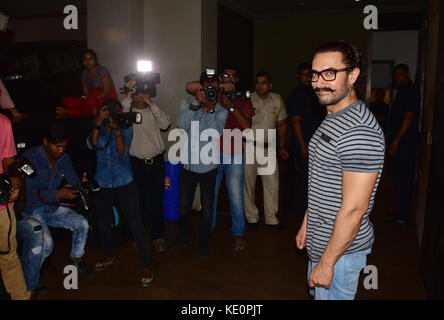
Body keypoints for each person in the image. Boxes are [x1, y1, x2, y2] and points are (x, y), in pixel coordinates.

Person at [295, 41, 385, 300]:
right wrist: (307, 223)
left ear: (353, 75)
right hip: (323, 243)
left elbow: (354, 209)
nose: (319, 82)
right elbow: (324, 180)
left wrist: (327, 263)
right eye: (315, 74)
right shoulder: (335, 115)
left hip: (339, 254)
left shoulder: (359, 131)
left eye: (330, 73)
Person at [186, 66, 255, 251]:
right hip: (212, 151)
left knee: (235, 196)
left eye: (233, 77)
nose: (229, 80)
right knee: (211, 195)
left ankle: (238, 233)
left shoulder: (242, 97)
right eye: (226, 76)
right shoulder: (211, 92)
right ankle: (209, 227)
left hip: (234, 151)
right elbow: (189, 86)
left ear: (238, 79)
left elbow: (247, 126)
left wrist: (230, 104)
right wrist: (219, 87)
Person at [21, 121, 94, 291]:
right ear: (46, 141)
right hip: (31, 209)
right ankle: (29, 279)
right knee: (46, 244)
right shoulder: (30, 158)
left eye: (64, 147)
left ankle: (77, 259)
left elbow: (73, 181)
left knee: (81, 223)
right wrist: (59, 194)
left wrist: (81, 186)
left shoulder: (64, 158)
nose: (61, 150)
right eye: (57, 146)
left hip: (51, 207)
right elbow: (30, 192)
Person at [87, 98, 153, 286]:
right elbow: (93, 145)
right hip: (103, 182)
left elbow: (122, 152)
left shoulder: (125, 126)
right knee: (102, 222)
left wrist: (116, 130)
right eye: (108, 111)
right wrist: (98, 123)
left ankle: (146, 265)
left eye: (115, 111)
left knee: (136, 224)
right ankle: (109, 255)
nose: (112, 115)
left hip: (125, 181)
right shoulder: (97, 127)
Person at [171, 72, 228, 257]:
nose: (208, 92)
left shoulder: (221, 110)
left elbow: (215, 134)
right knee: (183, 206)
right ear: (200, 88)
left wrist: (210, 109)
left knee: (207, 208)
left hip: (208, 166)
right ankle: (183, 238)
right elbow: (181, 124)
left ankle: (204, 243)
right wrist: (197, 103)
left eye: (212, 89)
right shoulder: (188, 103)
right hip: (188, 164)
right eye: (205, 88)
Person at [121, 83, 171, 253]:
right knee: (138, 203)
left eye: (142, 92)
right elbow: (118, 115)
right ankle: (140, 236)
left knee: (157, 202)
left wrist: (150, 103)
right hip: (136, 165)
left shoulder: (153, 111)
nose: (139, 95)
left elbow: (166, 123)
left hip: (156, 164)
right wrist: (128, 95)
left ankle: (158, 236)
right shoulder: (127, 115)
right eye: (136, 93)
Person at [243, 71, 289, 231]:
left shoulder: (277, 99)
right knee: (248, 184)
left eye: (263, 83)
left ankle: (271, 219)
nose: (260, 85)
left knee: (272, 185)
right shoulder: (248, 99)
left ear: (270, 85)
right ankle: (252, 218)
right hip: (249, 146)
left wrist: (282, 147)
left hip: (269, 147)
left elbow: (282, 125)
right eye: (258, 82)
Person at [287, 62, 326, 222]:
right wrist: (303, 146)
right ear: (298, 76)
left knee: (315, 181)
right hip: (305, 145)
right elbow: (295, 122)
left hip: (318, 144)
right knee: (306, 181)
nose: (307, 77)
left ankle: (313, 213)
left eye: (309, 74)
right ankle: (304, 215)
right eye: (303, 74)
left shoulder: (314, 93)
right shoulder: (297, 95)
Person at [0, 113, 31, 300]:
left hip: (2, 207)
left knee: (9, 259)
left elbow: (8, 160)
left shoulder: (3, 122)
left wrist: (16, 183)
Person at [387, 64, 421, 225]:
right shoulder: (404, 91)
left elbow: (408, 117)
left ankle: (404, 216)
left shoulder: (410, 92)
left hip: (405, 144)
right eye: (396, 75)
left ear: (406, 74)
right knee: (400, 179)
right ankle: (401, 211)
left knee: (404, 180)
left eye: (400, 74)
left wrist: (396, 141)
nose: (397, 78)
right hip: (402, 143)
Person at [57, 49, 118, 117]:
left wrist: (93, 99)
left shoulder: (102, 70)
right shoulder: (84, 73)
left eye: (90, 59)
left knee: (90, 103)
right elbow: (86, 92)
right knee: (67, 100)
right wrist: (85, 98)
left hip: (105, 99)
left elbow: (107, 91)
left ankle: (68, 111)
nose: (87, 62)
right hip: (91, 99)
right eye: (85, 59)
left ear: (95, 60)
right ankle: (76, 109)